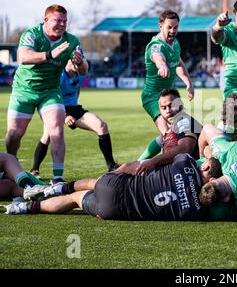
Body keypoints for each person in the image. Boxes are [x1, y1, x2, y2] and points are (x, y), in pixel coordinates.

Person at [5, 4, 88, 183]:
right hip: (23, 91)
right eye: (57, 20)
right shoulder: (32, 34)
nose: (61, 24)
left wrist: (80, 62)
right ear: (46, 20)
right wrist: (50, 54)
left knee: (56, 131)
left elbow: (84, 70)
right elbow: (23, 57)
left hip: (50, 91)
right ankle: (8, 166)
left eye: (64, 21)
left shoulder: (72, 41)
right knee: (14, 134)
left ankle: (58, 179)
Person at [4, 154, 223, 221]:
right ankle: (25, 209)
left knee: (95, 182)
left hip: (116, 185)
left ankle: (58, 188)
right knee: (77, 200)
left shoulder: (184, 162)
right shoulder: (199, 210)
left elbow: (169, 158)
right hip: (116, 211)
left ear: (204, 165)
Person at [30, 59, 118, 176]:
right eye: (74, 62)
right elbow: (49, 96)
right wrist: (65, 116)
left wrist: (74, 106)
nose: (78, 65)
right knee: (47, 136)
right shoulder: (58, 76)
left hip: (74, 108)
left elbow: (78, 88)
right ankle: (34, 169)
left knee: (102, 126)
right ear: (66, 61)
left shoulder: (81, 73)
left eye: (80, 62)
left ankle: (111, 166)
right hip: (55, 107)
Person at [141, 10, 195, 157]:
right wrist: (161, 65)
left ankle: (140, 162)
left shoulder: (175, 43)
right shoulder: (156, 45)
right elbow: (157, 56)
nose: (173, 31)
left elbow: (179, 63)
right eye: (169, 27)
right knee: (169, 135)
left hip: (169, 98)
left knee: (178, 131)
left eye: (175, 27)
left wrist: (188, 83)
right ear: (160, 26)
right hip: (153, 97)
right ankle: (159, 170)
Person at [117, 89, 202, 175]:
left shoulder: (184, 121)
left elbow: (185, 148)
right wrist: (140, 161)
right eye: (163, 108)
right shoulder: (172, 126)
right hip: (172, 171)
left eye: (171, 105)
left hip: (185, 173)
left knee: (125, 169)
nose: (168, 110)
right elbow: (159, 141)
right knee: (126, 169)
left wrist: (153, 161)